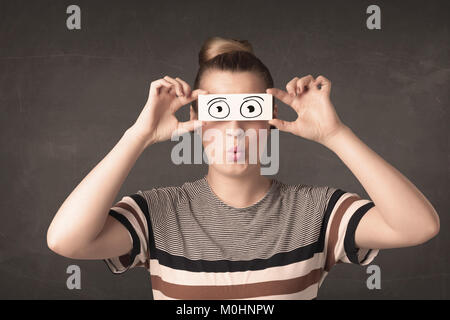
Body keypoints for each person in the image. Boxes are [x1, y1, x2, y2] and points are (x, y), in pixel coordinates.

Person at [47, 36, 440, 300]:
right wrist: (139, 135)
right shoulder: (158, 214)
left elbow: (418, 226)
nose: (234, 130)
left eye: (249, 110)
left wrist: (336, 134)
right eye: (219, 111)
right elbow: (66, 241)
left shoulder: (317, 213)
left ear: (270, 118)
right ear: (196, 120)